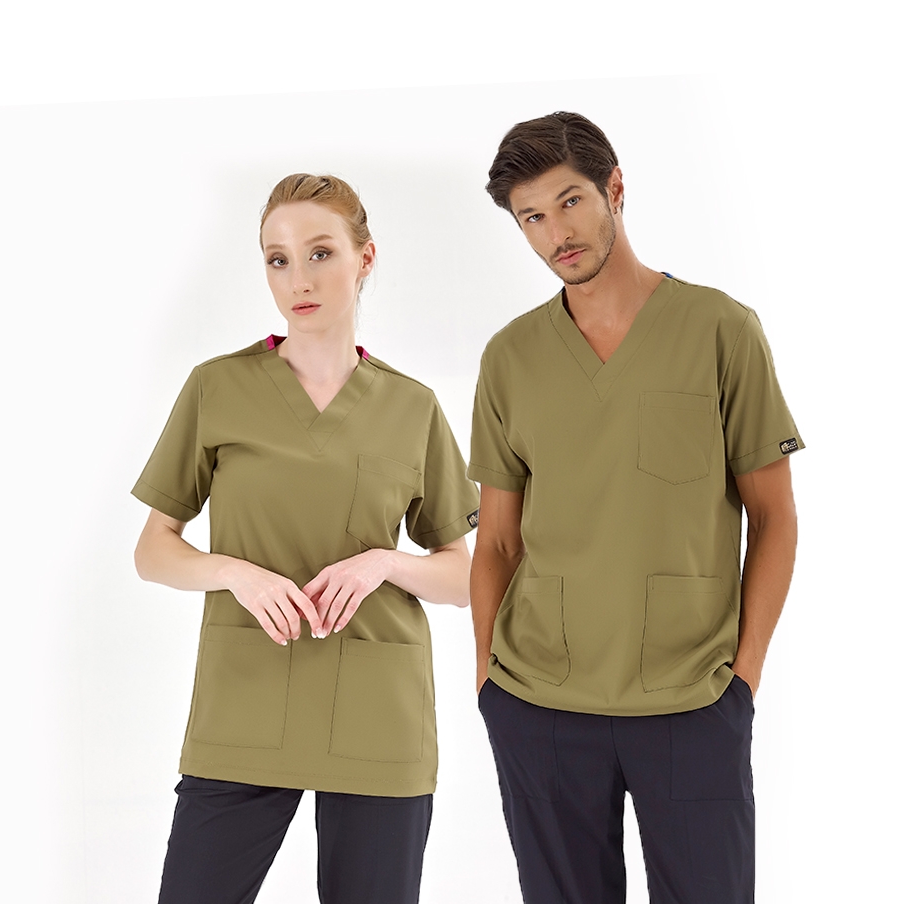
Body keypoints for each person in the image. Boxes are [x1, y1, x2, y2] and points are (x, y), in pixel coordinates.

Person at [469, 112, 802, 903]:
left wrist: (742, 682)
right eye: (532, 218)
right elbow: (498, 544)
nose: (557, 233)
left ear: (614, 188)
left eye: (570, 201)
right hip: (540, 704)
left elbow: (774, 518)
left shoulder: (721, 330)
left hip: (692, 700)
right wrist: (489, 685)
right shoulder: (511, 357)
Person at [132, 173, 480, 904]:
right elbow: (153, 548)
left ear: (365, 257)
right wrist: (235, 572)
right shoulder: (217, 388)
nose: (299, 279)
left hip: (377, 715)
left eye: (320, 252)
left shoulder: (412, 407)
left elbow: (463, 576)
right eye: (278, 259)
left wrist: (384, 562)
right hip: (243, 702)